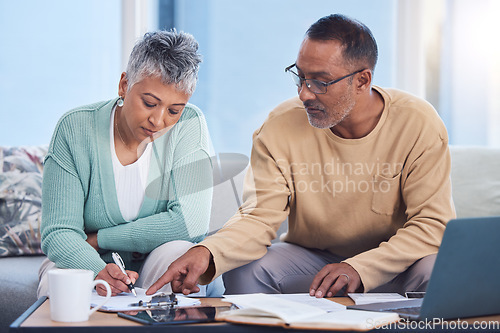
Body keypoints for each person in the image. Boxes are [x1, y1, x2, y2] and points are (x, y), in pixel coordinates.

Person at [147, 14, 455, 298]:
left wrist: (362, 267)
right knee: (246, 270)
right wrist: (208, 252)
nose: (304, 93)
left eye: (320, 81)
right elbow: (259, 216)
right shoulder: (279, 127)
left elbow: (432, 224)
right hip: (313, 258)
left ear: (362, 80)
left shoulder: (418, 122)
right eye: (300, 76)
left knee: (438, 270)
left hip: (398, 261)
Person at [37, 30, 224, 297]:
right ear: (124, 84)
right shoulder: (75, 128)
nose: (158, 121)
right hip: (84, 256)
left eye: (174, 110)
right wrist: (97, 268)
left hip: (152, 259)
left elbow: (189, 223)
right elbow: (59, 231)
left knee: (184, 257)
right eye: (149, 103)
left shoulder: (189, 124)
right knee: (63, 283)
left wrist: (101, 238)